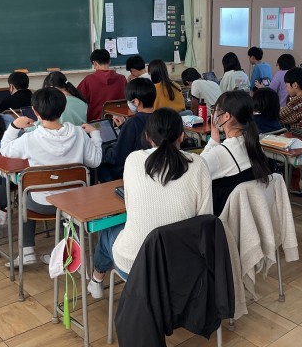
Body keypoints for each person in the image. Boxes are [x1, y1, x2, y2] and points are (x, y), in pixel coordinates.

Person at [87, 108, 212, 297]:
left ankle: (96, 281)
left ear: (147, 136)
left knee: (107, 231)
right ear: (182, 136)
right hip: (184, 266)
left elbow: (131, 205)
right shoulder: (199, 164)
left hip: (134, 266)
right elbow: (205, 219)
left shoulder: (134, 160)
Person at [0, 88, 102, 266]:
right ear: (63, 108)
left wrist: (14, 126)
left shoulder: (30, 138)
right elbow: (95, 161)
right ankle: (67, 253)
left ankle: (27, 251)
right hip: (74, 202)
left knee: (24, 197)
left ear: (35, 111)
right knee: (65, 200)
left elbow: (5, 150)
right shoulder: (79, 133)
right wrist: (95, 134)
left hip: (41, 204)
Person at [201, 90, 272, 215]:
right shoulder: (255, 146)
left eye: (216, 110)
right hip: (250, 214)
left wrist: (212, 142)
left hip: (224, 218)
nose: (214, 114)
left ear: (226, 116)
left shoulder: (218, 154)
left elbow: (197, 172)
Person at [97, 78, 155, 182]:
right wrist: (123, 127)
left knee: (99, 162)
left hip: (134, 172)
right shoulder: (162, 117)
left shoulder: (133, 123)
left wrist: (101, 147)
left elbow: (117, 156)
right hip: (153, 168)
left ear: (136, 102)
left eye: (129, 101)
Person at [77, 48, 127, 121]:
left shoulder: (88, 80)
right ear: (109, 61)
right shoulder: (122, 79)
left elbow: (77, 98)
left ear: (95, 63)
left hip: (95, 122)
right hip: (118, 121)